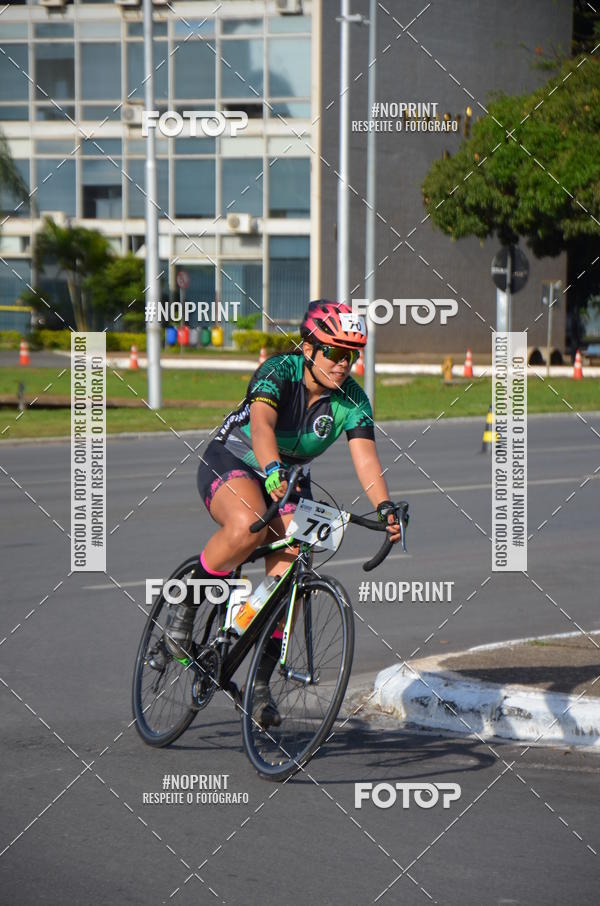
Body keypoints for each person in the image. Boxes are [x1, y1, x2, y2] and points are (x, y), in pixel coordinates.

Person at [163, 300, 403, 727]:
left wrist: (383, 507)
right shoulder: (279, 371)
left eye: (352, 355)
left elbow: (366, 459)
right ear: (309, 348)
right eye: (334, 352)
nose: (343, 363)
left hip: (289, 477)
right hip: (235, 458)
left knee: (291, 570)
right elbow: (261, 427)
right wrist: (271, 466)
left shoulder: (352, 399)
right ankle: (183, 607)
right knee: (249, 525)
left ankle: (258, 682)